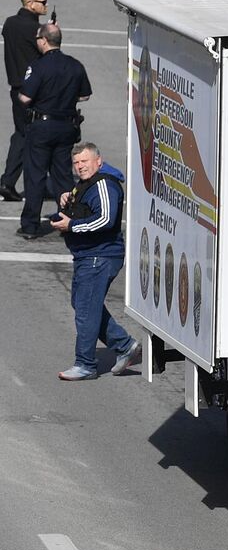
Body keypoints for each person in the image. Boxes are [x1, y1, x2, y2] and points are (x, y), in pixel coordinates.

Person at [51, 142, 137, 380]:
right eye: (76, 163)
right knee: (85, 306)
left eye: (85, 161)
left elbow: (106, 220)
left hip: (100, 255)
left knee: (86, 311)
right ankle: (125, 345)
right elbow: (85, 212)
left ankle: (86, 364)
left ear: (98, 161)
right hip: (87, 255)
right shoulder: (86, 184)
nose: (80, 167)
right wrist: (67, 203)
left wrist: (72, 225)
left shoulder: (104, 185)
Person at [16, 24, 90, 239]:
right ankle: (66, 219)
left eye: (38, 38)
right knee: (63, 176)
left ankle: (30, 225)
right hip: (67, 126)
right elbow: (84, 95)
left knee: (36, 176)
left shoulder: (39, 66)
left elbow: (25, 98)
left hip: (41, 126)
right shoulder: (75, 65)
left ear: (44, 40)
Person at [2, 0, 46, 202]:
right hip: (34, 91)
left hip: (16, 87)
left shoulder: (10, 23)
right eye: (42, 2)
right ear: (30, 3)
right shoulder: (37, 29)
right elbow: (49, 52)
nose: (45, 5)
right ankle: (9, 181)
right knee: (31, 135)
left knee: (22, 133)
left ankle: (12, 181)